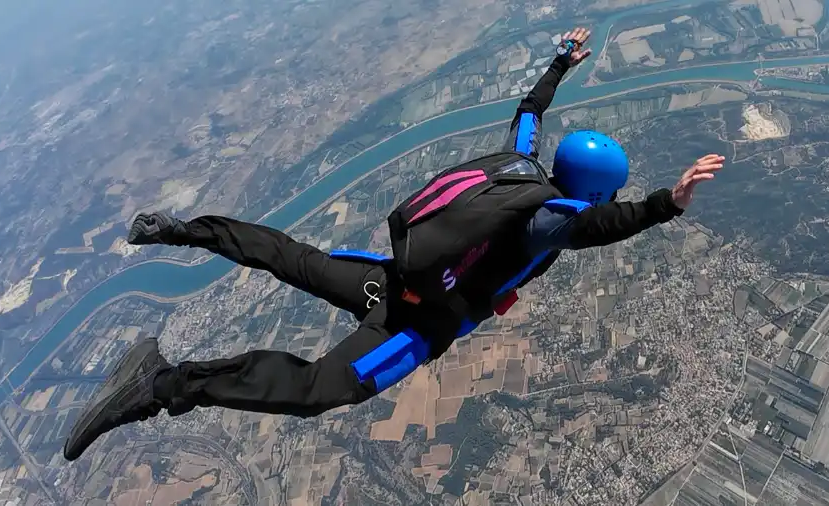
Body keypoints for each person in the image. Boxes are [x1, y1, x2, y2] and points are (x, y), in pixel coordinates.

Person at [63, 27, 724, 461]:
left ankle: (176, 229)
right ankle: (159, 384)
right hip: (418, 321)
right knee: (319, 390)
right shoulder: (551, 217)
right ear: (596, 191)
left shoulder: (518, 168)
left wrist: (559, 63)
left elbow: (529, 113)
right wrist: (668, 202)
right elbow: (601, 226)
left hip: (387, 277)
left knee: (291, 257)